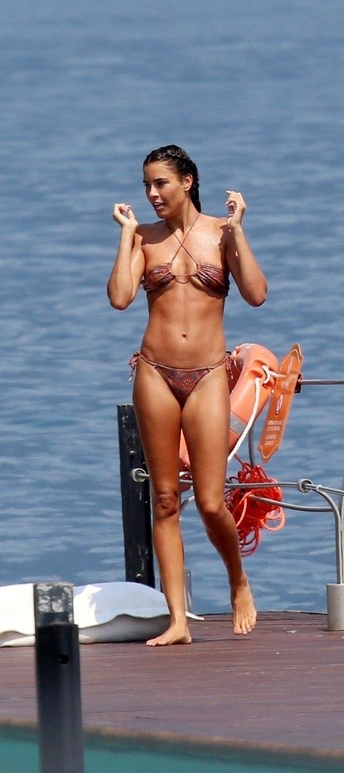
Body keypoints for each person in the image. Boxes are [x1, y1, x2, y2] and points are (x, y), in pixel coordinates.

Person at [107, 145, 268, 645]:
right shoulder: (144, 238)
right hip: (154, 372)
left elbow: (257, 294)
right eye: (147, 186)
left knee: (211, 501)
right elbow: (119, 298)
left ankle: (238, 582)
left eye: (161, 184)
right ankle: (178, 620)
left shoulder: (221, 233)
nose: (153, 194)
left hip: (206, 375)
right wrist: (127, 237)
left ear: (188, 182)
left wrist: (238, 230)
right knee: (163, 499)